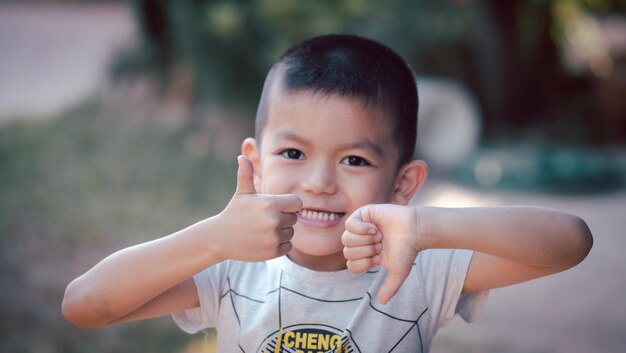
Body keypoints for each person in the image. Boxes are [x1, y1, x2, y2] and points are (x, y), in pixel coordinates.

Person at [62, 34, 593, 352]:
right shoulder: (229, 266)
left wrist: (426, 228)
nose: (319, 182)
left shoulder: (417, 268)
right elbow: (84, 305)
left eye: (354, 160)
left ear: (403, 183)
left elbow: (571, 241)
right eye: (293, 154)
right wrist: (213, 239)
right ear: (256, 164)